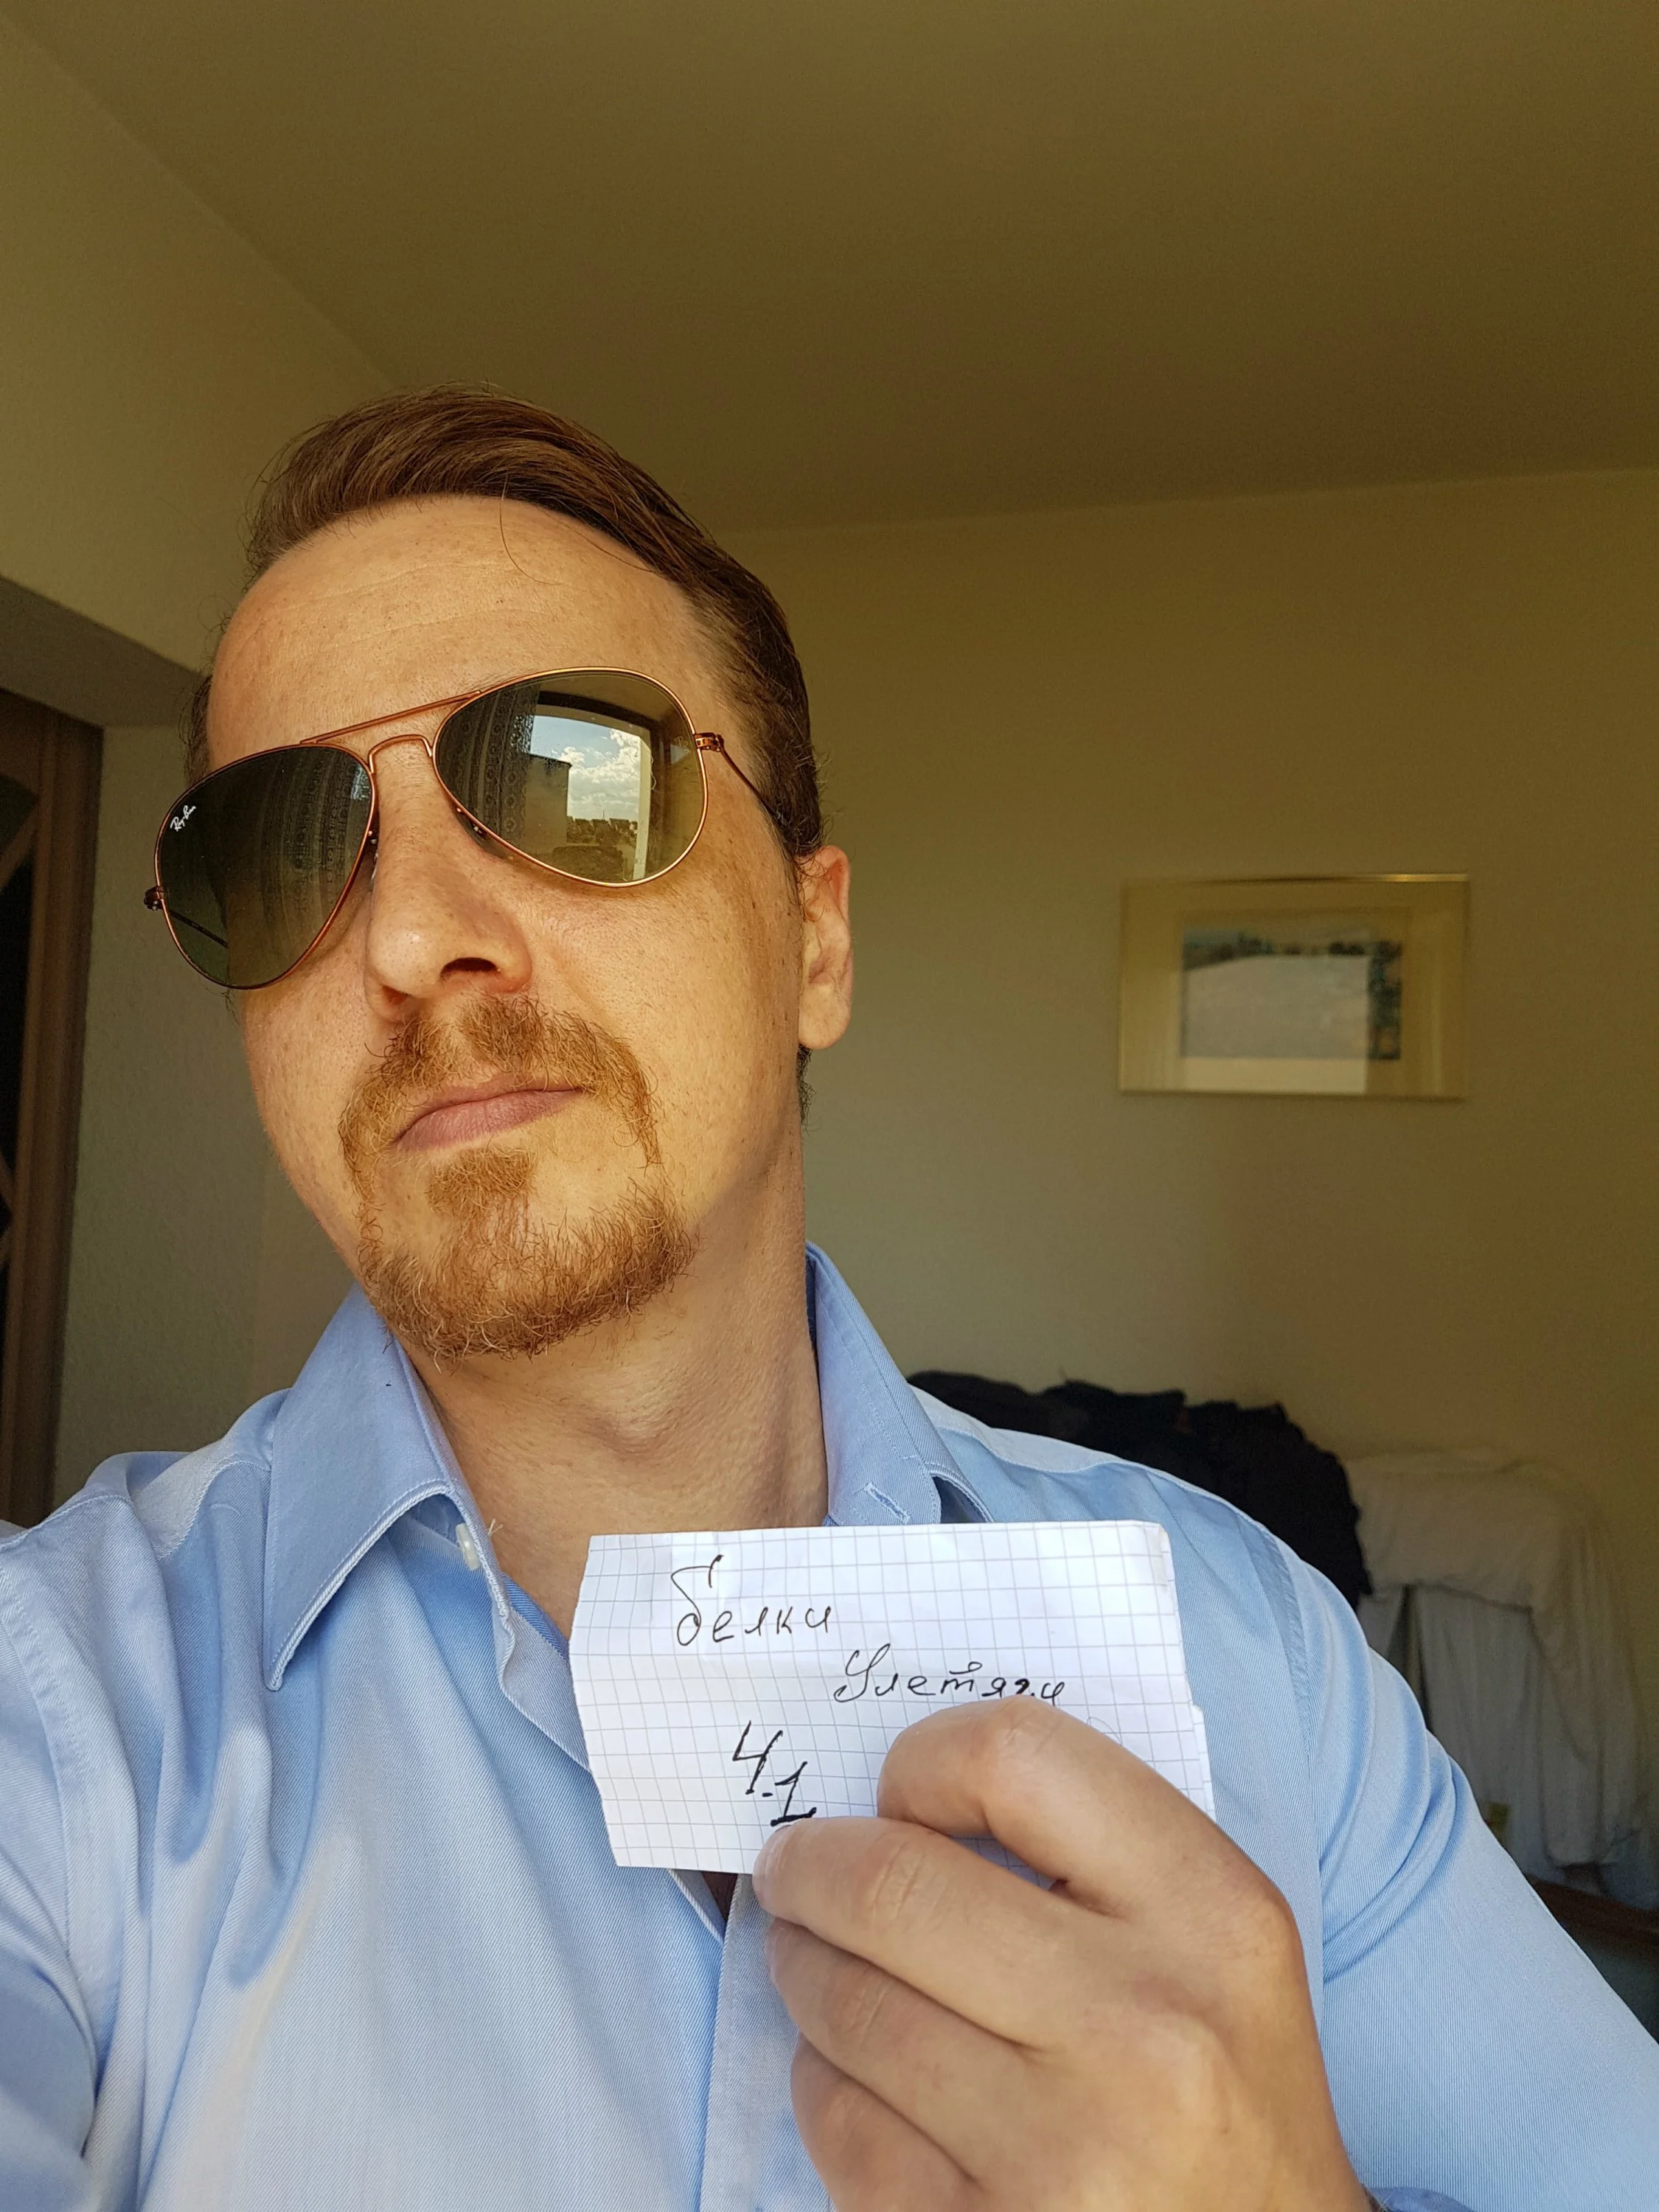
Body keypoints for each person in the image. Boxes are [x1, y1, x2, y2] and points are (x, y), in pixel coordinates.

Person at [1, 389, 1654, 2212]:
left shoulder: (1261, 1654)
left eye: (572, 779)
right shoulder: (48, 1720)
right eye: (276, 849)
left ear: (819, 941)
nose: (407, 939)